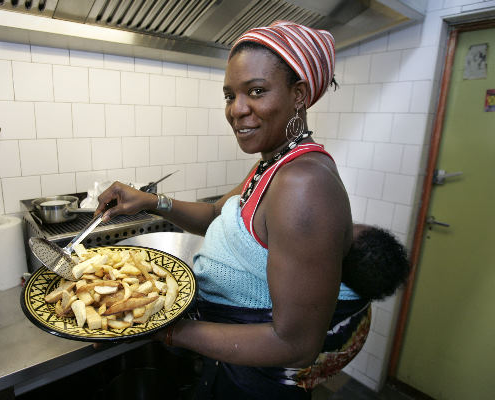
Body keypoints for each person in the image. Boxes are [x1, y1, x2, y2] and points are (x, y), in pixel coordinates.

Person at [95, 21, 404, 399]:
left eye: (256, 91)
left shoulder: (303, 184)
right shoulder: (272, 164)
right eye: (230, 95)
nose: (237, 110)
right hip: (225, 363)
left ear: (299, 95)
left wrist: (167, 329)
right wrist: (152, 202)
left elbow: (295, 343)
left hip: (253, 385)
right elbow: (216, 217)